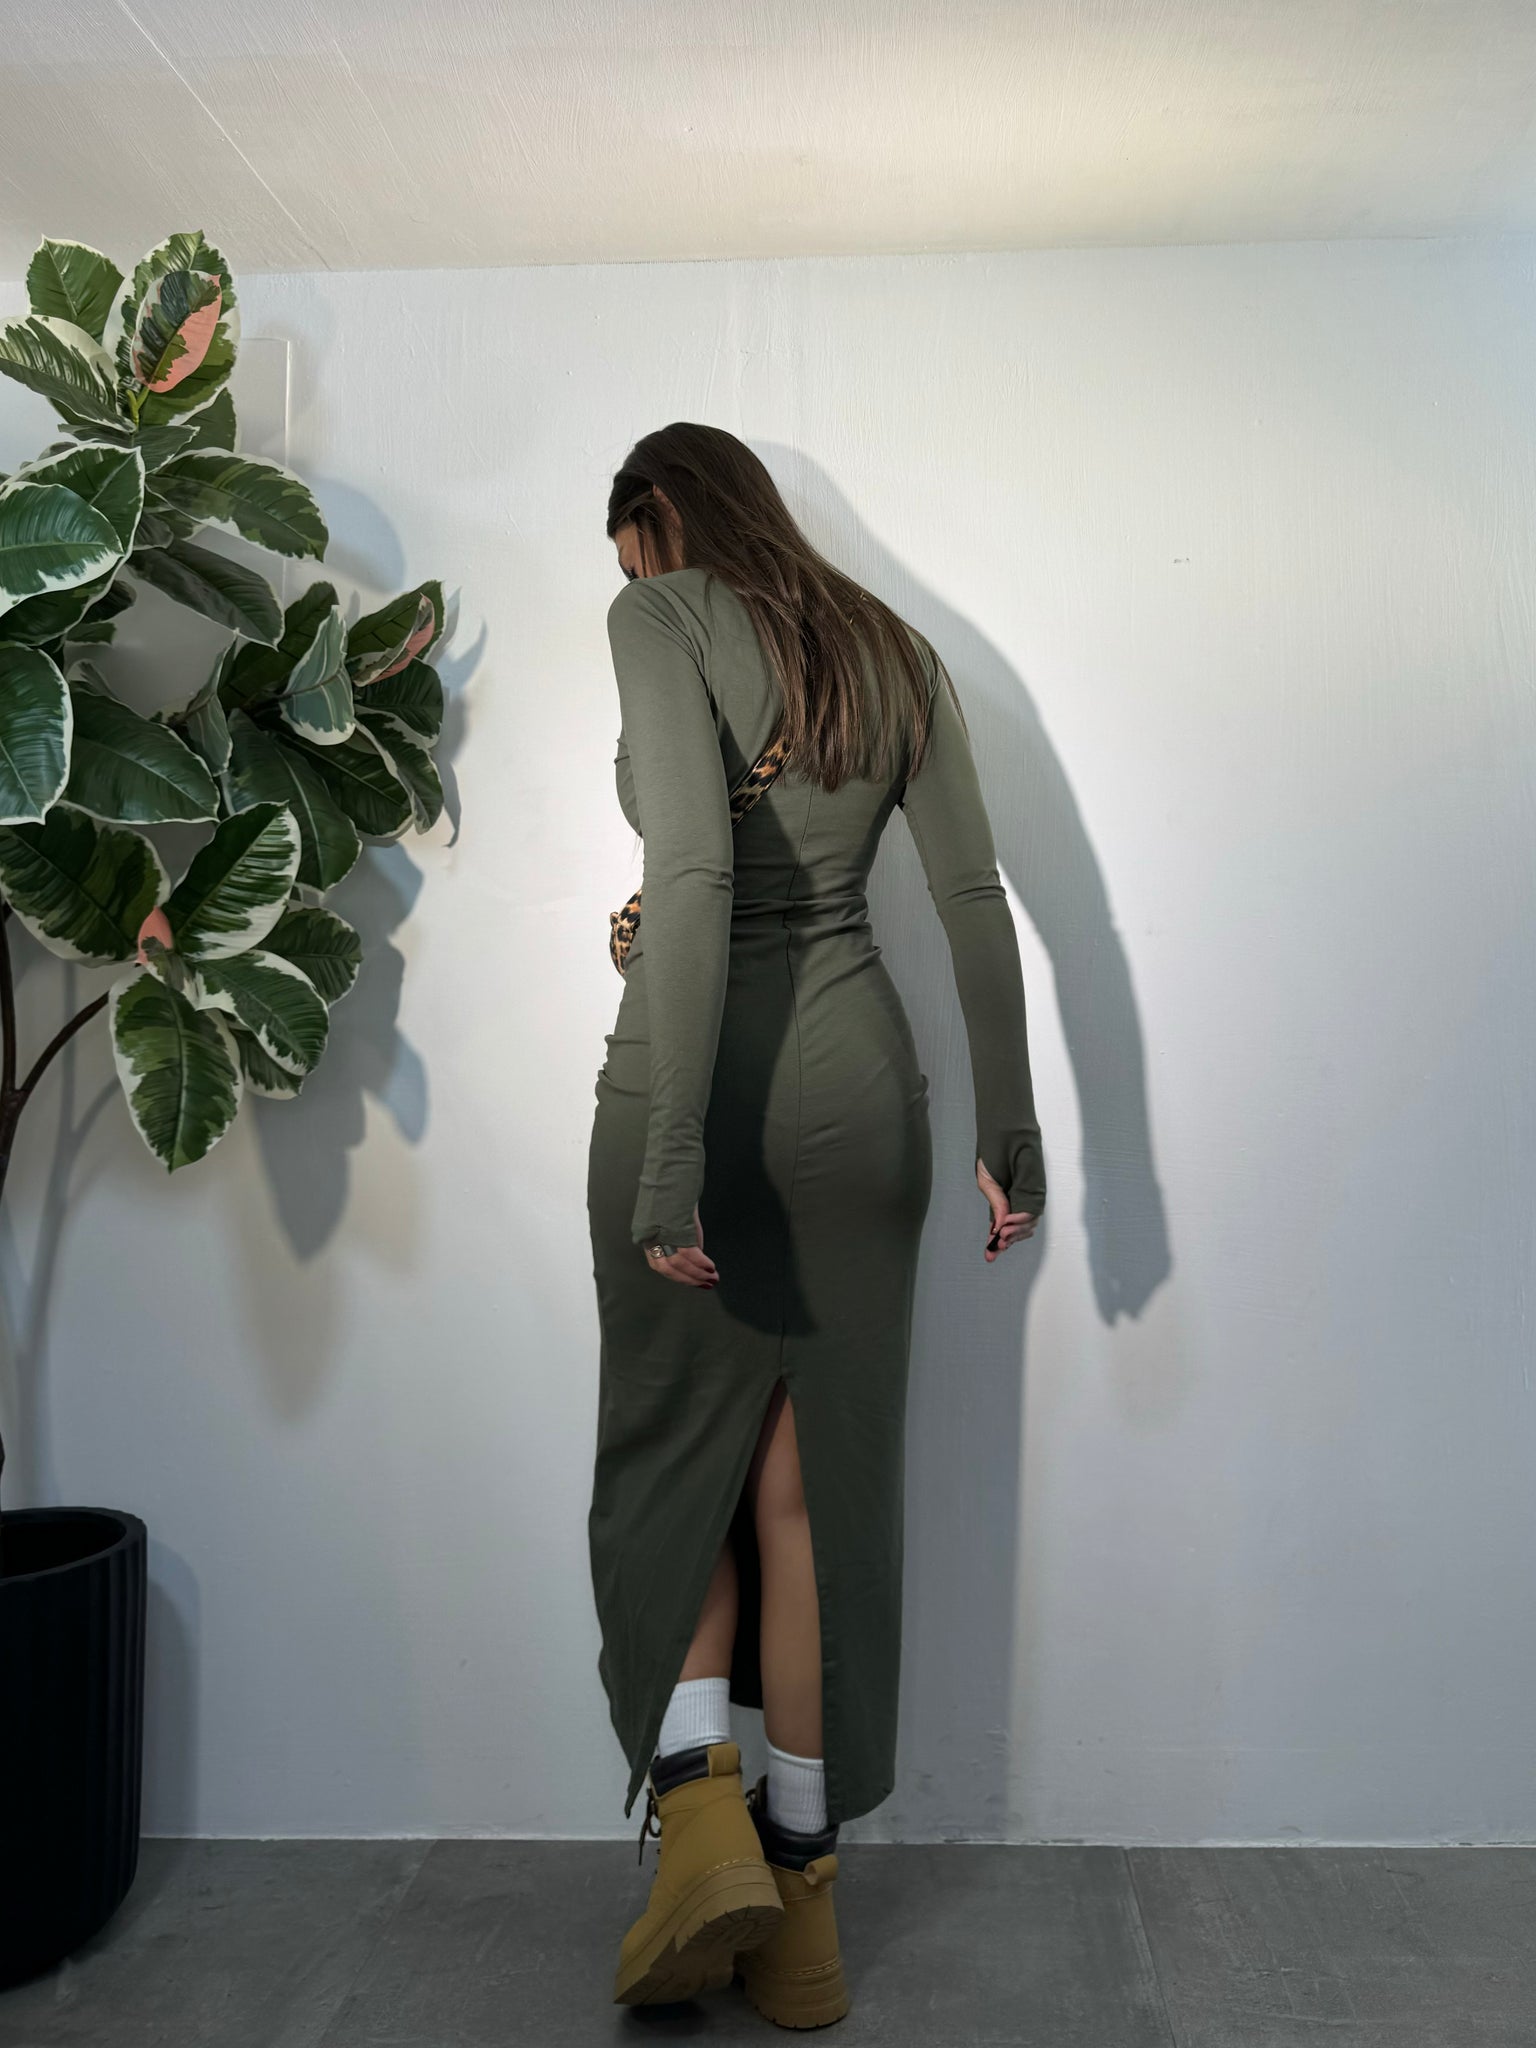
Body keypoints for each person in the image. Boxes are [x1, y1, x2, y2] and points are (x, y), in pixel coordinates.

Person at [586, 422, 1046, 2024]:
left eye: (629, 546)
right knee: (799, 1495)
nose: (629, 574)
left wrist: (672, 1157)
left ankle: (701, 1844)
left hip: (697, 1090)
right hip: (866, 1100)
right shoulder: (893, 649)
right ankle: (804, 1921)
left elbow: (695, 875)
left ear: (661, 519)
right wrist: (1008, 1131)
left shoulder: (660, 614)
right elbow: (975, 899)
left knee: (671, 1462)